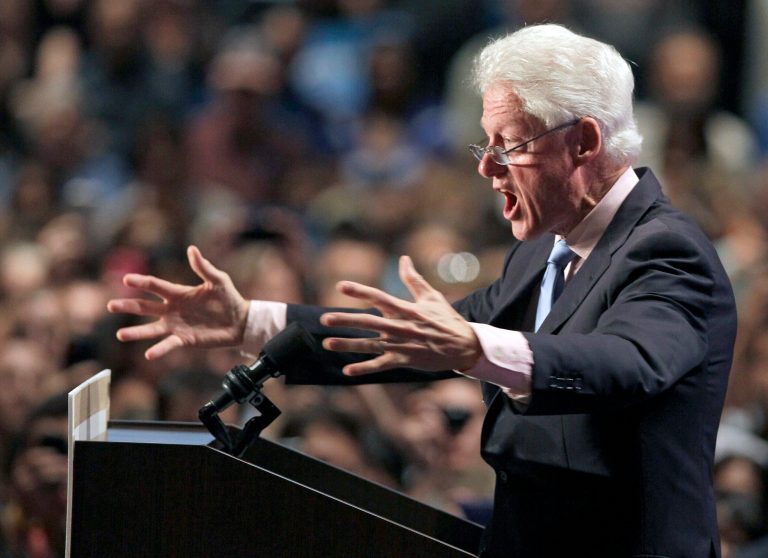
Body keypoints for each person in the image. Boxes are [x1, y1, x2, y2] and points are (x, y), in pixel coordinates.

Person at [107, 24, 737, 558]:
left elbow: (627, 363)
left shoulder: (665, 249)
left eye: (508, 146)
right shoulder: (542, 252)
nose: (486, 169)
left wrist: (473, 347)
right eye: (484, 144)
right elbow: (410, 339)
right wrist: (254, 322)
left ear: (585, 142)